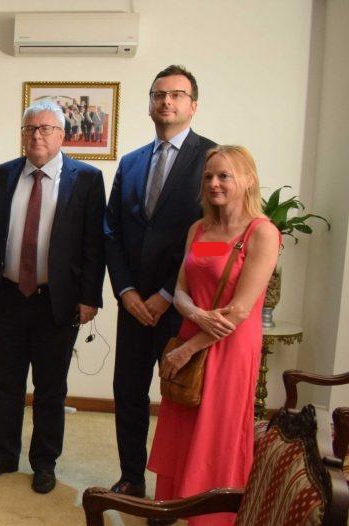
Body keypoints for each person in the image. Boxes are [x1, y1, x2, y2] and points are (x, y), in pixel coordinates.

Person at [0, 101, 106, 494]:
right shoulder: (7, 172)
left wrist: (89, 297)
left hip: (57, 300)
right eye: (30, 128)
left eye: (46, 129)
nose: (37, 136)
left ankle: (44, 462)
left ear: (62, 135)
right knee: (3, 382)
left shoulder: (87, 178)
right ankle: (4, 453)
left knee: (50, 387)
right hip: (9, 295)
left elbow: (94, 244)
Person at [148, 145, 279, 526]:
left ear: (248, 180)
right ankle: (173, 504)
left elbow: (240, 311)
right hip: (192, 330)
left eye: (224, 176)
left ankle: (210, 516)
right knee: (182, 421)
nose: (214, 183)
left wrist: (187, 349)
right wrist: (192, 313)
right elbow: (181, 288)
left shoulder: (262, 233)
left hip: (230, 346)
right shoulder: (199, 229)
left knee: (217, 431)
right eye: (208, 177)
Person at [104, 64, 217, 499]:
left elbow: (210, 235)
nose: (166, 101)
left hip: (183, 305)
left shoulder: (212, 160)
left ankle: (175, 487)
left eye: (176, 95)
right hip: (134, 305)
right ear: (150, 103)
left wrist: (168, 294)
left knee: (180, 398)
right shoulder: (131, 163)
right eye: (158, 94)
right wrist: (126, 291)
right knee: (128, 393)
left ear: (193, 105)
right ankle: (131, 477)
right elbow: (112, 231)